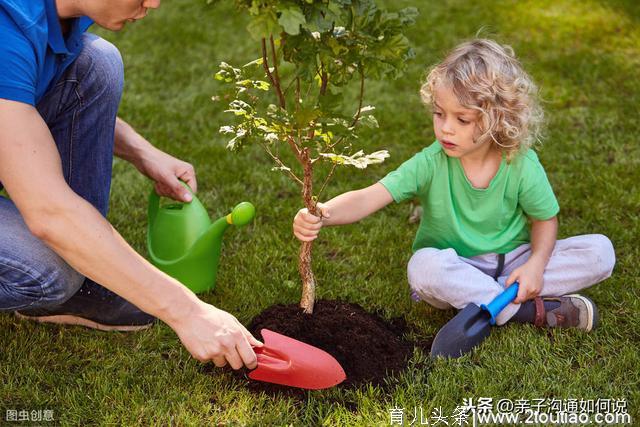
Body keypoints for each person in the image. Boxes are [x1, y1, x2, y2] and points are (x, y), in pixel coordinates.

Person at [0, 0, 261, 370]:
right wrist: (188, 312)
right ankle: (72, 274)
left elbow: (18, 101)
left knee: (95, 63)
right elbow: (47, 212)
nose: (153, 2)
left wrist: (141, 151)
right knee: (47, 268)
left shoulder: (58, 13)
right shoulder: (7, 27)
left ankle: (83, 283)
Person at [292, 39, 616, 330]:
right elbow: (371, 196)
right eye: (438, 114)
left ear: (498, 119)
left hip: (515, 262)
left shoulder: (520, 163)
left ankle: (490, 298)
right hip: (456, 264)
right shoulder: (430, 163)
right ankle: (523, 311)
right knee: (423, 268)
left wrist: (534, 265)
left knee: (600, 251)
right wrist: (322, 213)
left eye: (462, 119)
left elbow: (545, 220)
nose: (446, 129)